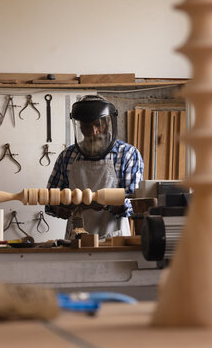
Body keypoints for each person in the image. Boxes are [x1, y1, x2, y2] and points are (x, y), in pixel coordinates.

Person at [46, 95, 144, 240]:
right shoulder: (67, 156)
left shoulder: (128, 154)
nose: (93, 131)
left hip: (114, 239)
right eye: (86, 126)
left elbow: (134, 203)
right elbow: (50, 197)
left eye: (98, 124)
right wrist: (59, 208)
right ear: (79, 126)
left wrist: (108, 204)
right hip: (75, 239)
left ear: (107, 123)